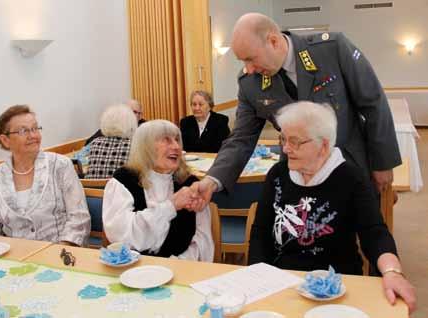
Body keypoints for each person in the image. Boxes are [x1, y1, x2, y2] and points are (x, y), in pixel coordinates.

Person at [189, 13, 401, 210]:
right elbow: (241, 138)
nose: (249, 68)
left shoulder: (331, 49)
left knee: (360, 239)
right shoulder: (250, 83)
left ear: (273, 41)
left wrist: (383, 163)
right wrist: (211, 180)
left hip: (349, 168)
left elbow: (373, 103)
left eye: (251, 58)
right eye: (243, 61)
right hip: (297, 179)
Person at [248, 102, 416, 313]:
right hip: (282, 281)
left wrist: (392, 272)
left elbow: (374, 232)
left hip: (337, 284)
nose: (285, 148)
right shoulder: (278, 174)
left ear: (324, 146)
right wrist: (256, 276)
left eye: (295, 142)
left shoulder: (351, 178)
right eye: (283, 139)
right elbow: (261, 231)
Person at [0, 105, 91, 246]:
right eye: (23, 131)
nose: (33, 135)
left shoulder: (60, 165)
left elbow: (79, 219)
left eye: (35, 128)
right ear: (5, 140)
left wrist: (60, 252)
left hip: (60, 254)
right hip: (14, 257)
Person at [103, 120, 213, 261]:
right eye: (166, 140)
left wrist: (177, 264)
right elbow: (122, 237)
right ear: (146, 147)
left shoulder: (190, 183)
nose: (176, 147)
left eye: (177, 140)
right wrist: (171, 206)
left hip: (180, 268)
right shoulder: (124, 181)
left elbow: (202, 239)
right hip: (134, 268)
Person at [85, 104, 137, 179]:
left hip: (93, 190)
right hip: (121, 189)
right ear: (131, 123)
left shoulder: (95, 143)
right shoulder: (133, 145)